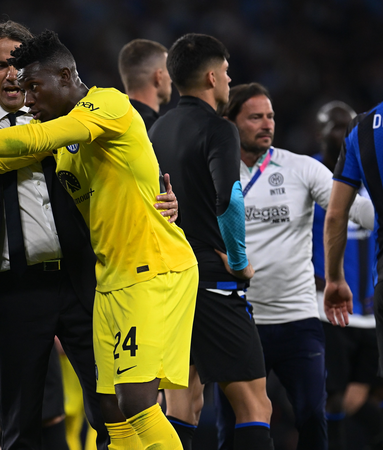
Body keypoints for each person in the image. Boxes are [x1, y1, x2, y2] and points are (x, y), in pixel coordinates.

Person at [0, 29, 198, 450]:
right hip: (102, 280)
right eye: (16, 82)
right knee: (114, 413)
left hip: (143, 271)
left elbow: (35, 140)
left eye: (34, 87)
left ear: (64, 74)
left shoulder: (106, 103)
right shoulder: (64, 136)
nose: (28, 99)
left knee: (135, 404)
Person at [213, 83, 374, 450]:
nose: (267, 124)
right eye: (255, 117)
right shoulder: (213, 171)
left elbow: (358, 211)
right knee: (231, 423)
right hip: (238, 319)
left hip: (298, 318)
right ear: (230, 121)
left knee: (313, 415)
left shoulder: (302, 168)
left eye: (270, 116)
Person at [148, 34, 274, 450]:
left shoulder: (157, 129)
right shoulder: (220, 130)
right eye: (226, 72)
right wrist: (238, 261)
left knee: (183, 405)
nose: (229, 79)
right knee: (256, 405)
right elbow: (229, 197)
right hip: (213, 282)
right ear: (211, 76)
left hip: (170, 282)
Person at [324, 90, 383, 450]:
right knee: (341, 397)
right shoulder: (313, 176)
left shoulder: (365, 131)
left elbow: (337, 215)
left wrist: (334, 278)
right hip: (349, 311)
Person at [312, 100, 383, 450]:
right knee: (333, 395)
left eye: (346, 129)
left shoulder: (372, 173)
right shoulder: (308, 177)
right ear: (320, 134)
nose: (341, 136)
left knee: (355, 397)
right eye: (334, 128)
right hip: (331, 307)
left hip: (373, 308)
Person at [117, 39, 173, 130]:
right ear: (158, 77)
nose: (171, 79)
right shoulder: (161, 133)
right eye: (168, 71)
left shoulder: (108, 125)